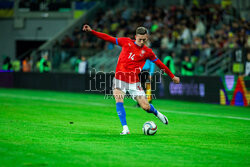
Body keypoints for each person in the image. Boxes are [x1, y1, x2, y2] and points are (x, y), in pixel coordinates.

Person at [82, 24, 180, 135]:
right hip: (119, 79)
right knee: (119, 101)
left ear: (147, 38)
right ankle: (125, 129)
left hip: (134, 82)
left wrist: (172, 76)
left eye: (144, 40)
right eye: (140, 39)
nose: (142, 42)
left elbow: (160, 64)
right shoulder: (126, 42)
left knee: (145, 107)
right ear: (135, 37)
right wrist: (92, 31)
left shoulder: (147, 52)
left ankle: (157, 114)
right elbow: (108, 38)